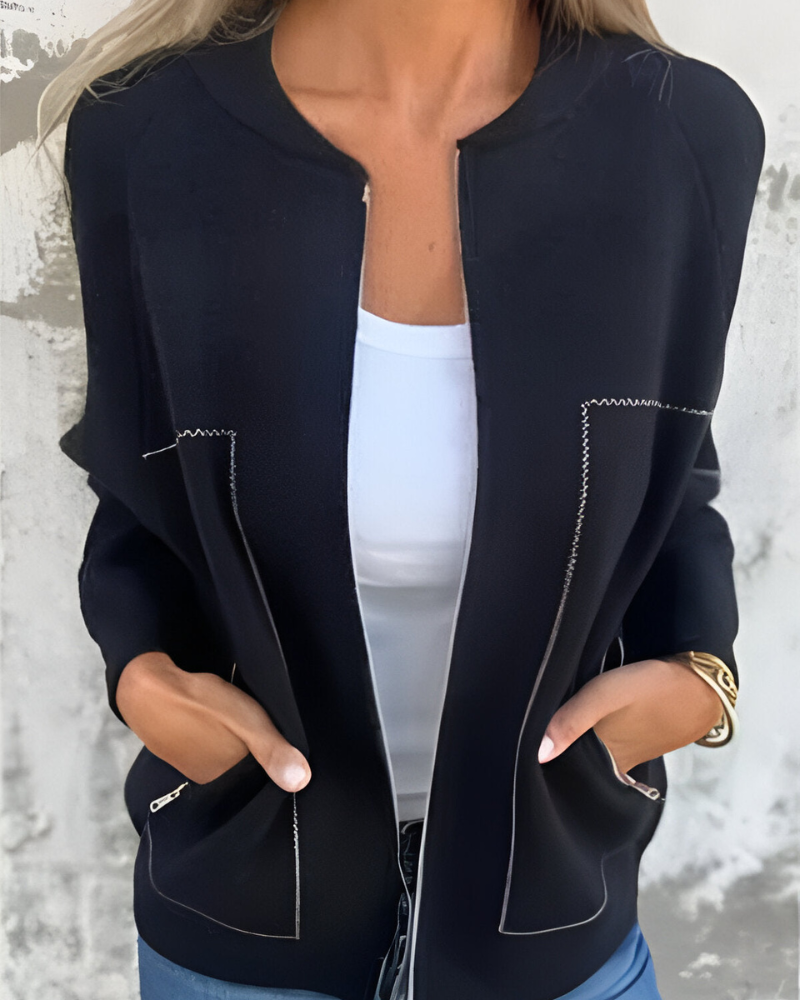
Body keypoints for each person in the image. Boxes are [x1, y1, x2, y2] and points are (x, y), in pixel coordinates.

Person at [37, 0, 763, 997]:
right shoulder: (144, 133)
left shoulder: (682, 134)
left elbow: (667, 469)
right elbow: (139, 477)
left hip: (549, 915)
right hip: (246, 907)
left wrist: (699, 676)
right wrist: (141, 673)